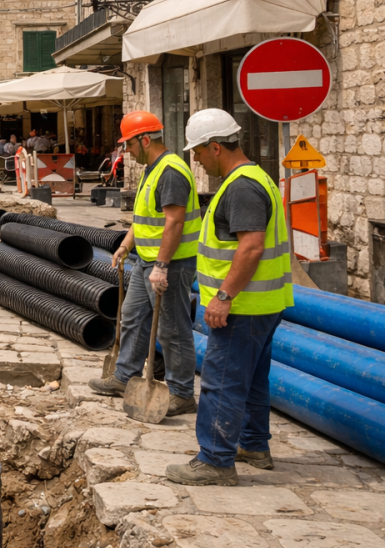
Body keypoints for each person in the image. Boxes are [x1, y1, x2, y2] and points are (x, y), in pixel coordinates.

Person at [165, 109, 292, 487]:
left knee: (222, 381)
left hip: (243, 306)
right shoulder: (257, 179)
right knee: (252, 380)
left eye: (199, 153)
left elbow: (251, 248)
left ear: (216, 147)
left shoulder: (241, 187)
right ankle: (253, 445)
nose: (197, 162)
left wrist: (222, 296)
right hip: (263, 304)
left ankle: (216, 460)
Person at [89, 111, 201, 420]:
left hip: (170, 263)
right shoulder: (153, 170)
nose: (127, 151)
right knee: (132, 315)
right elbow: (143, 219)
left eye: (129, 145)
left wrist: (162, 265)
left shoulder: (171, 172)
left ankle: (181, 393)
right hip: (144, 260)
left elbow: (174, 222)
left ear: (145, 139)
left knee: (172, 328)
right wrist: (126, 244)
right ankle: (124, 375)